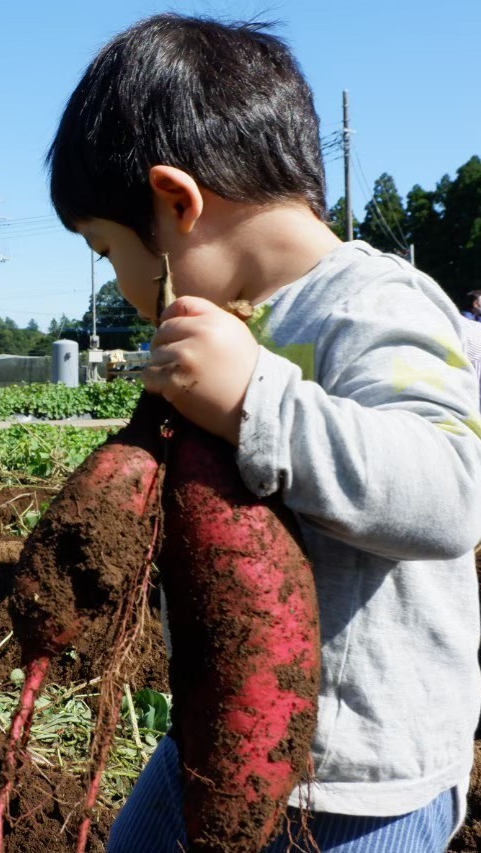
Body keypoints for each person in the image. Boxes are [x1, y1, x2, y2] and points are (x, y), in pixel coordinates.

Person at [45, 14, 481, 852]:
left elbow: (450, 491)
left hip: (357, 789)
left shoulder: (373, 305)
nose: (116, 281)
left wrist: (253, 395)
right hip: (212, 741)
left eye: (106, 251)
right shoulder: (220, 333)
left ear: (176, 202)